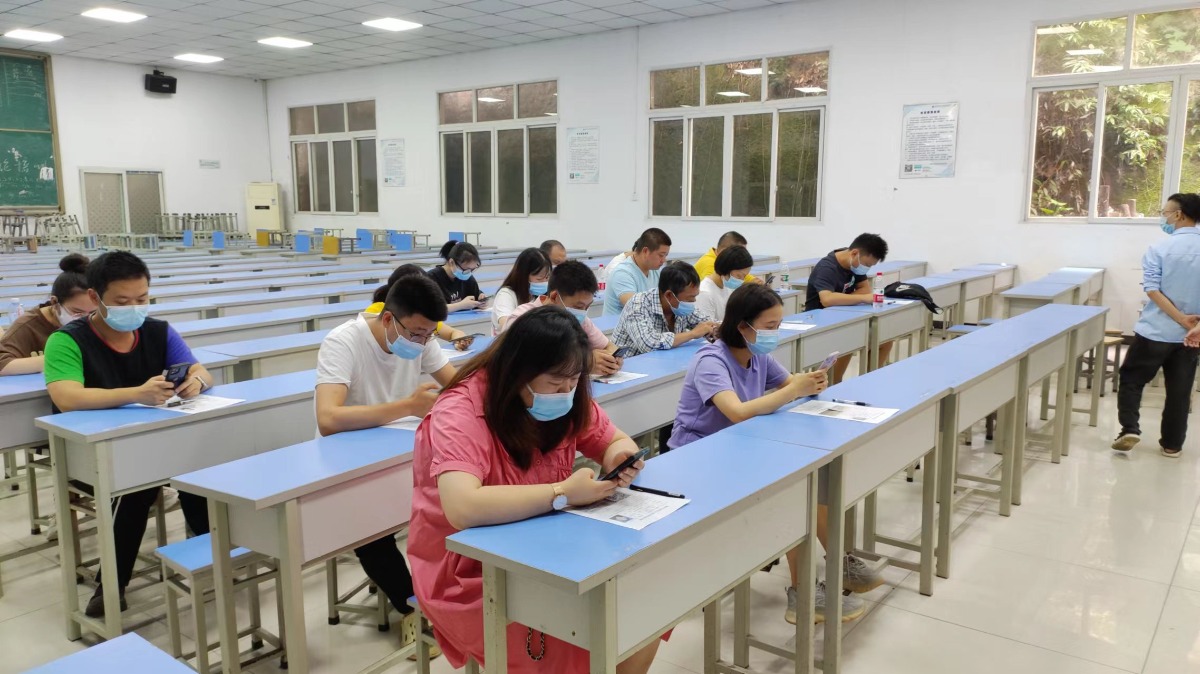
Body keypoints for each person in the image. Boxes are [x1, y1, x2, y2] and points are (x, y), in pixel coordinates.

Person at [408, 306, 662, 673]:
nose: (566, 392)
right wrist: (562, 493)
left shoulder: (567, 395)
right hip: (469, 569)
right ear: (519, 372)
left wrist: (618, 457)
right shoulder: (461, 409)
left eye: (574, 381)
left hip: (544, 545)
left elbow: (612, 439)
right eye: (556, 383)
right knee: (580, 633)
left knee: (643, 605)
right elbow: (462, 507)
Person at [667, 284, 878, 623]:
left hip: (739, 448)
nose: (774, 333)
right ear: (743, 325)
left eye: (778, 325)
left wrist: (809, 382)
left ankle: (839, 564)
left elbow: (788, 383)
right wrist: (794, 390)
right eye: (769, 326)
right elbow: (736, 412)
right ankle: (804, 595)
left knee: (809, 488)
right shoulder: (710, 360)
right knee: (793, 496)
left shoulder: (757, 355)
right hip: (698, 460)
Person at [43, 251, 213, 618]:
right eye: (122, 302)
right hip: (91, 454)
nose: (134, 309)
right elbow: (66, 397)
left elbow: (200, 370)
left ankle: (211, 560)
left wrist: (195, 383)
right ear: (95, 298)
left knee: (201, 473)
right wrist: (137, 393)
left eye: (142, 299)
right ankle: (111, 585)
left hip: (154, 444)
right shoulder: (67, 340)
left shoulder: (158, 331)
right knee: (135, 488)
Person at [315, 272, 456, 654]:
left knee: (449, 505)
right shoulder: (344, 341)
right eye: (417, 334)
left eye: (429, 335)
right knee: (370, 529)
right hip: (347, 463)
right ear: (389, 318)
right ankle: (412, 609)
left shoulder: (419, 336)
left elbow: (456, 382)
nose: (423, 342)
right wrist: (408, 407)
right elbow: (328, 418)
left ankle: (444, 598)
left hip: (400, 454)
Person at [1113, 193, 1200, 458]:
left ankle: (1130, 429)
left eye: (1165, 213)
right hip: (1191, 336)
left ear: (1179, 215)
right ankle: (1172, 445)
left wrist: (1178, 317)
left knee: (1132, 379)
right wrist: (1191, 323)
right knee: (1179, 391)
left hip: (1155, 331)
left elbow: (1152, 289)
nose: (1164, 218)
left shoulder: (1159, 249)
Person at [503, 260, 622, 376]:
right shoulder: (521, 318)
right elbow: (522, 363)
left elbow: (607, 346)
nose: (583, 312)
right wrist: (583, 363)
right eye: (578, 306)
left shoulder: (579, 318)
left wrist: (613, 359)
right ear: (554, 296)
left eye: (587, 306)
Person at [804, 233, 893, 382]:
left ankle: (868, 381)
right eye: (867, 265)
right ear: (854, 253)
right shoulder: (828, 267)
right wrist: (861, 298)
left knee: (884, 340)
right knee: (848, 341)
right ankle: (834, 384)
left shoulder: (854, 264)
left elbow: (865, 289)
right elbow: (827, 299)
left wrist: (843, 298)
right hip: (820, 322)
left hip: (843, 317)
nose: (866, 269)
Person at [0, 253, 97, 375]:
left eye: (93, 312)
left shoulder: (102, 320)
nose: (86, 319)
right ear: (54, 302)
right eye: (77, 312)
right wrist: (62, 357)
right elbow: (2, 363)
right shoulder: (28, 326)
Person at [612, 261, 717, 357]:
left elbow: (705, 323)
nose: (694, 301)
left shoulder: (681, 305)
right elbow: (648, 344)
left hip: (664, 361)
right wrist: (692, 334)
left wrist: (717, 328)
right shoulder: (638, 304)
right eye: (690, 298)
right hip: (629, 365)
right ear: (669, 295)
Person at [367, 264, 474, 349]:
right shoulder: (376, 311)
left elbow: (452, 332)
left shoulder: (423, 324)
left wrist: (459, 339)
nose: (423, 342)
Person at [603, 228, 672, 316]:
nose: (664, 260)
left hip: (644, 320)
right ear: (645, 251)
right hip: (619, 323)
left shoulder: (655, 270)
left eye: (665, 255)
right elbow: (635, 307)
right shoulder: (622, 273)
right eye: (661, 255)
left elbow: (666, 298)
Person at [492, 248, 551, 334]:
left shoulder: (540, 294)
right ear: (524, 276)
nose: (544, 282)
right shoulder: (506, 295)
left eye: (547, 277)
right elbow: (507, 326)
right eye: (539, 278)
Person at [696, 245, 754, 322]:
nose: (741, 280)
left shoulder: (727, 286)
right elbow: (707, 327)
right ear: (725, 269)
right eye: (739, 276)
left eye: (744, 276)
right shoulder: (705, 293)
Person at [428, 240, 487, 313]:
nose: (468, 273)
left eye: (472, 269)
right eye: (466, 269)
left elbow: (476, 296)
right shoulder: (431, 278)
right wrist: (460, 305)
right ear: (451, 262)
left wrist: (480, 301)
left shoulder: (468, 279)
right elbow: (429, 308)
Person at [693, 231, 760, 285]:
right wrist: (747, 286)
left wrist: (756, 282)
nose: (743, 255)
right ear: (726, 251)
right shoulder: (710, 264)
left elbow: (744, 276)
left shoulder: (729, 264)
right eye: (740, 252)